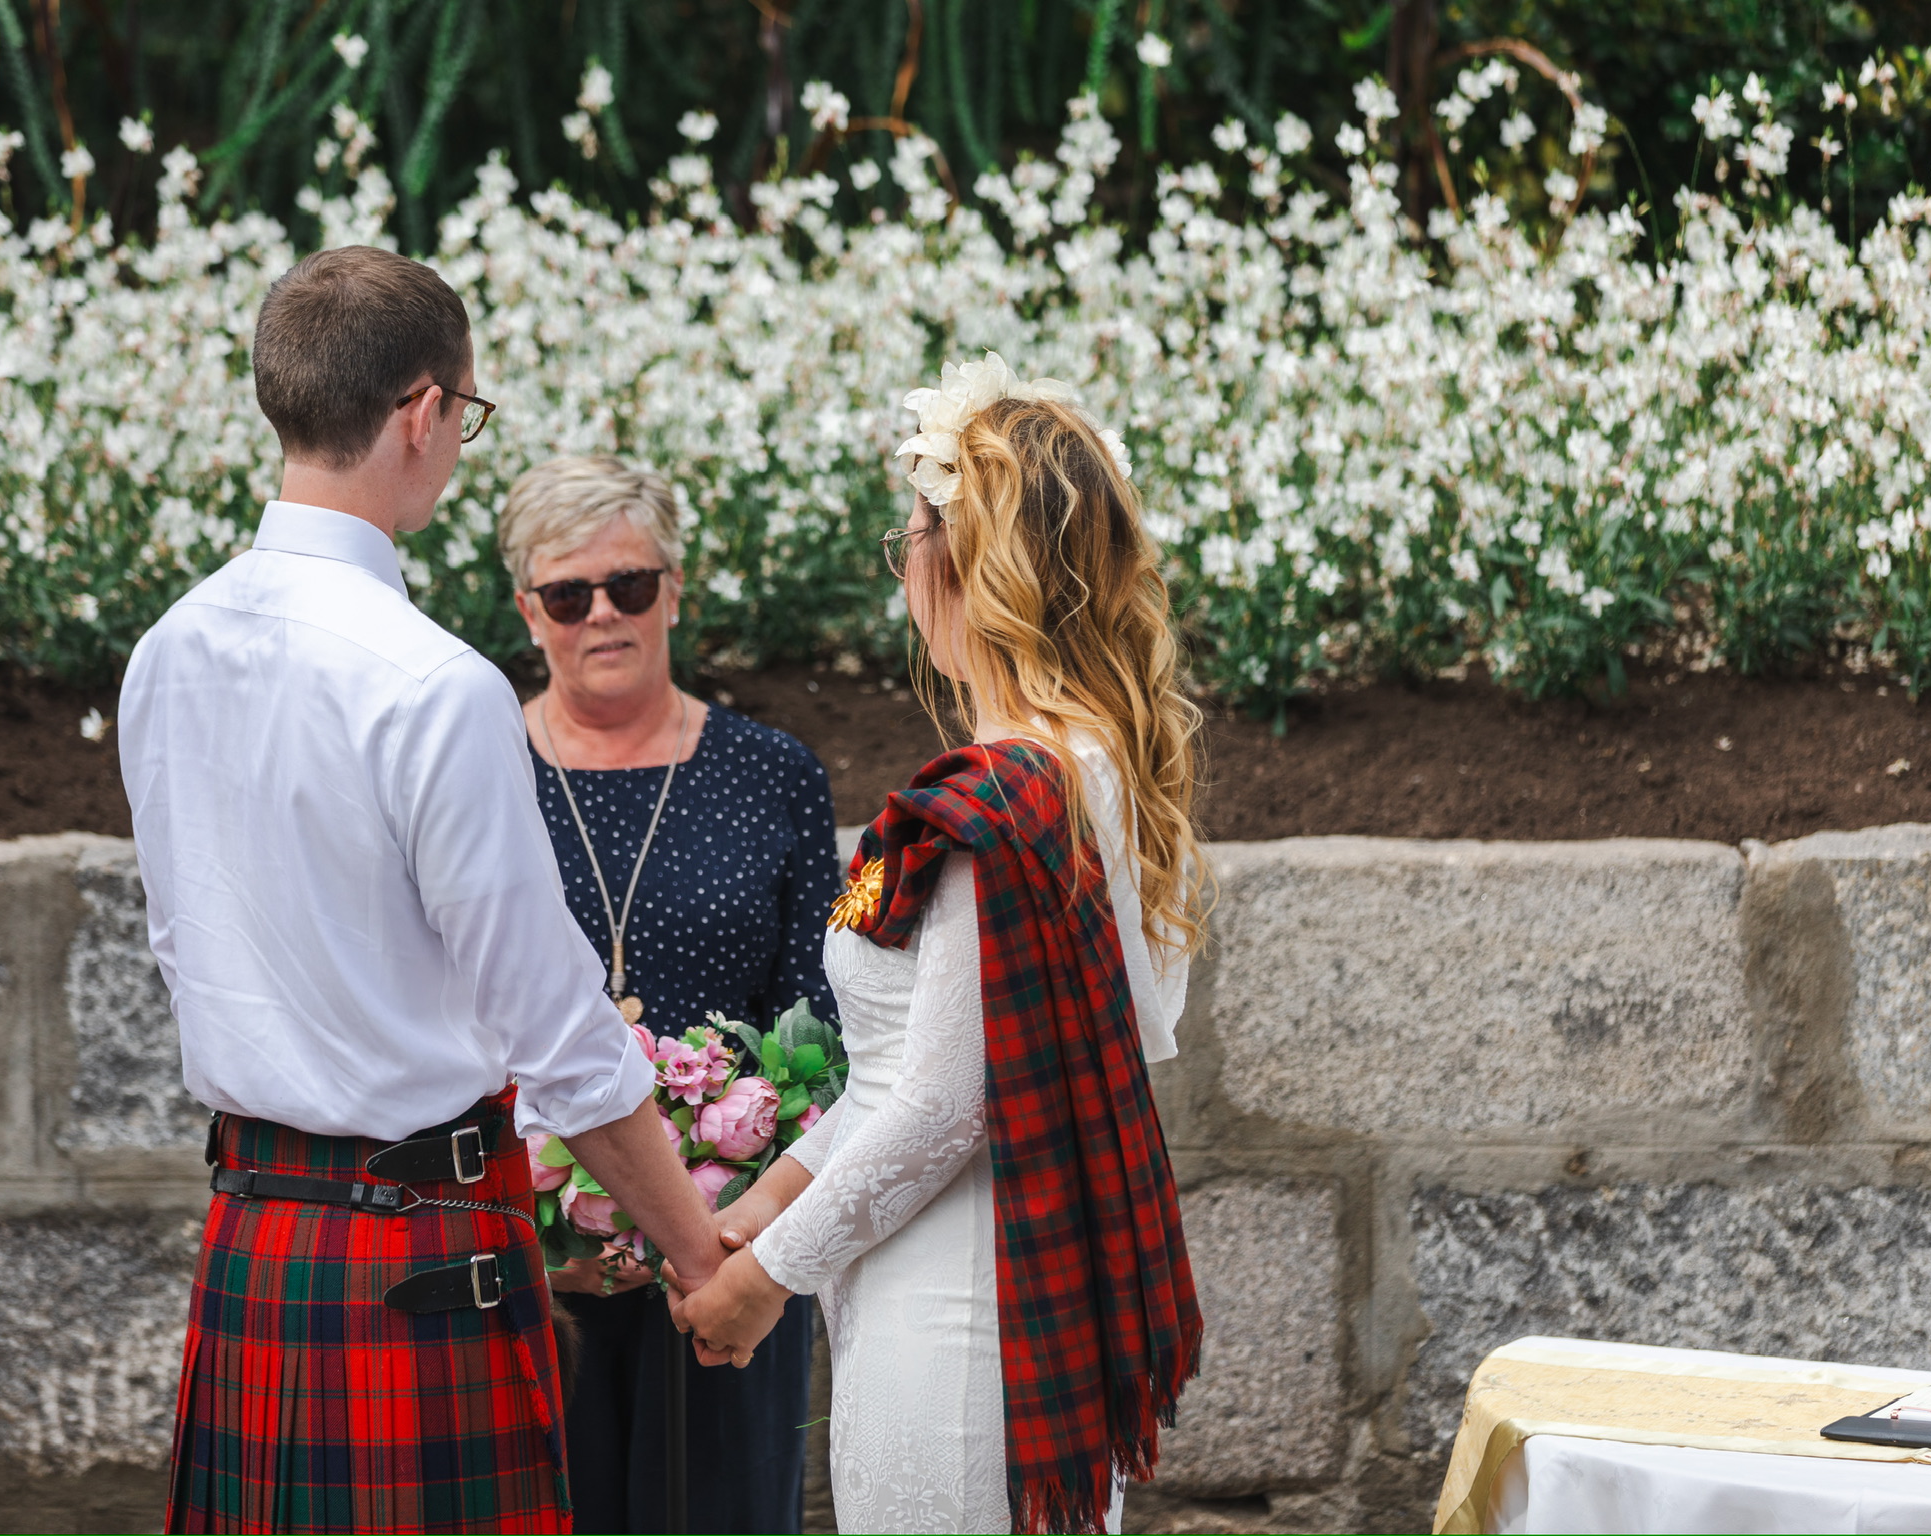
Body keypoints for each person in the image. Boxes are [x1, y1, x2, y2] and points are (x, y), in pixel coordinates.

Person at [119, 245, 728, 1535]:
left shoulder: (169, 649)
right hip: (419, 1249)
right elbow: (554, 1026)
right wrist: (697, 1252)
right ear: (421, 411)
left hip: (256, 1237)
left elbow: (185, 945)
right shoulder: (431, 682)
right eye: (466, 412)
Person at [670, 354, 1208, 1535]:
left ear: (964, 562)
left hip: (963, 1307)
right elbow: (907, 1070)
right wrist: (765, 1207)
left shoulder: (1011, 791)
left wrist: (760, 1284)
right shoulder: (1097, 763)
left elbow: (947, 1102)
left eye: (909, 529)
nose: (900, 558)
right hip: (967, 1282)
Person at [500, 454, 841, 1534]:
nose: (602, 614)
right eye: (569, 594)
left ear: (675, 592)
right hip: (528, 1252)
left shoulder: (774, 771)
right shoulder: (477, 766)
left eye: (631, 586)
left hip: (730, 1261)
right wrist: (551, 1212)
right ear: (528, 611)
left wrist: (738, 1228)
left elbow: (823, 1030)